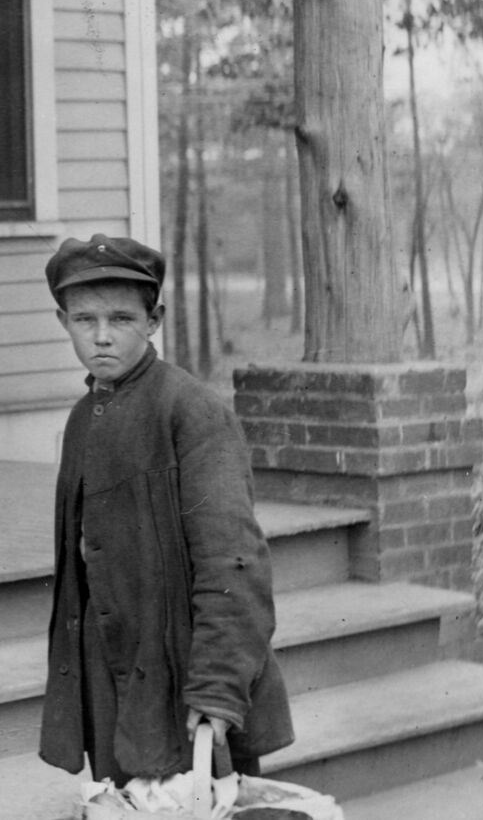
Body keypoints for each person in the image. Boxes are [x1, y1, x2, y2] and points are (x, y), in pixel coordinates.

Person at [37, 234, 295, 787]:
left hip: (184, 673)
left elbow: (234, 562)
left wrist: (218, 689)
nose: (101, 336)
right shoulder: (83, 419)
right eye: (84, 320)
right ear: (63, 322)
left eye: (121, 319)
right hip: (112, 672)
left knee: (201, 804)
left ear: (153, 320)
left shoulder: (190, 411)